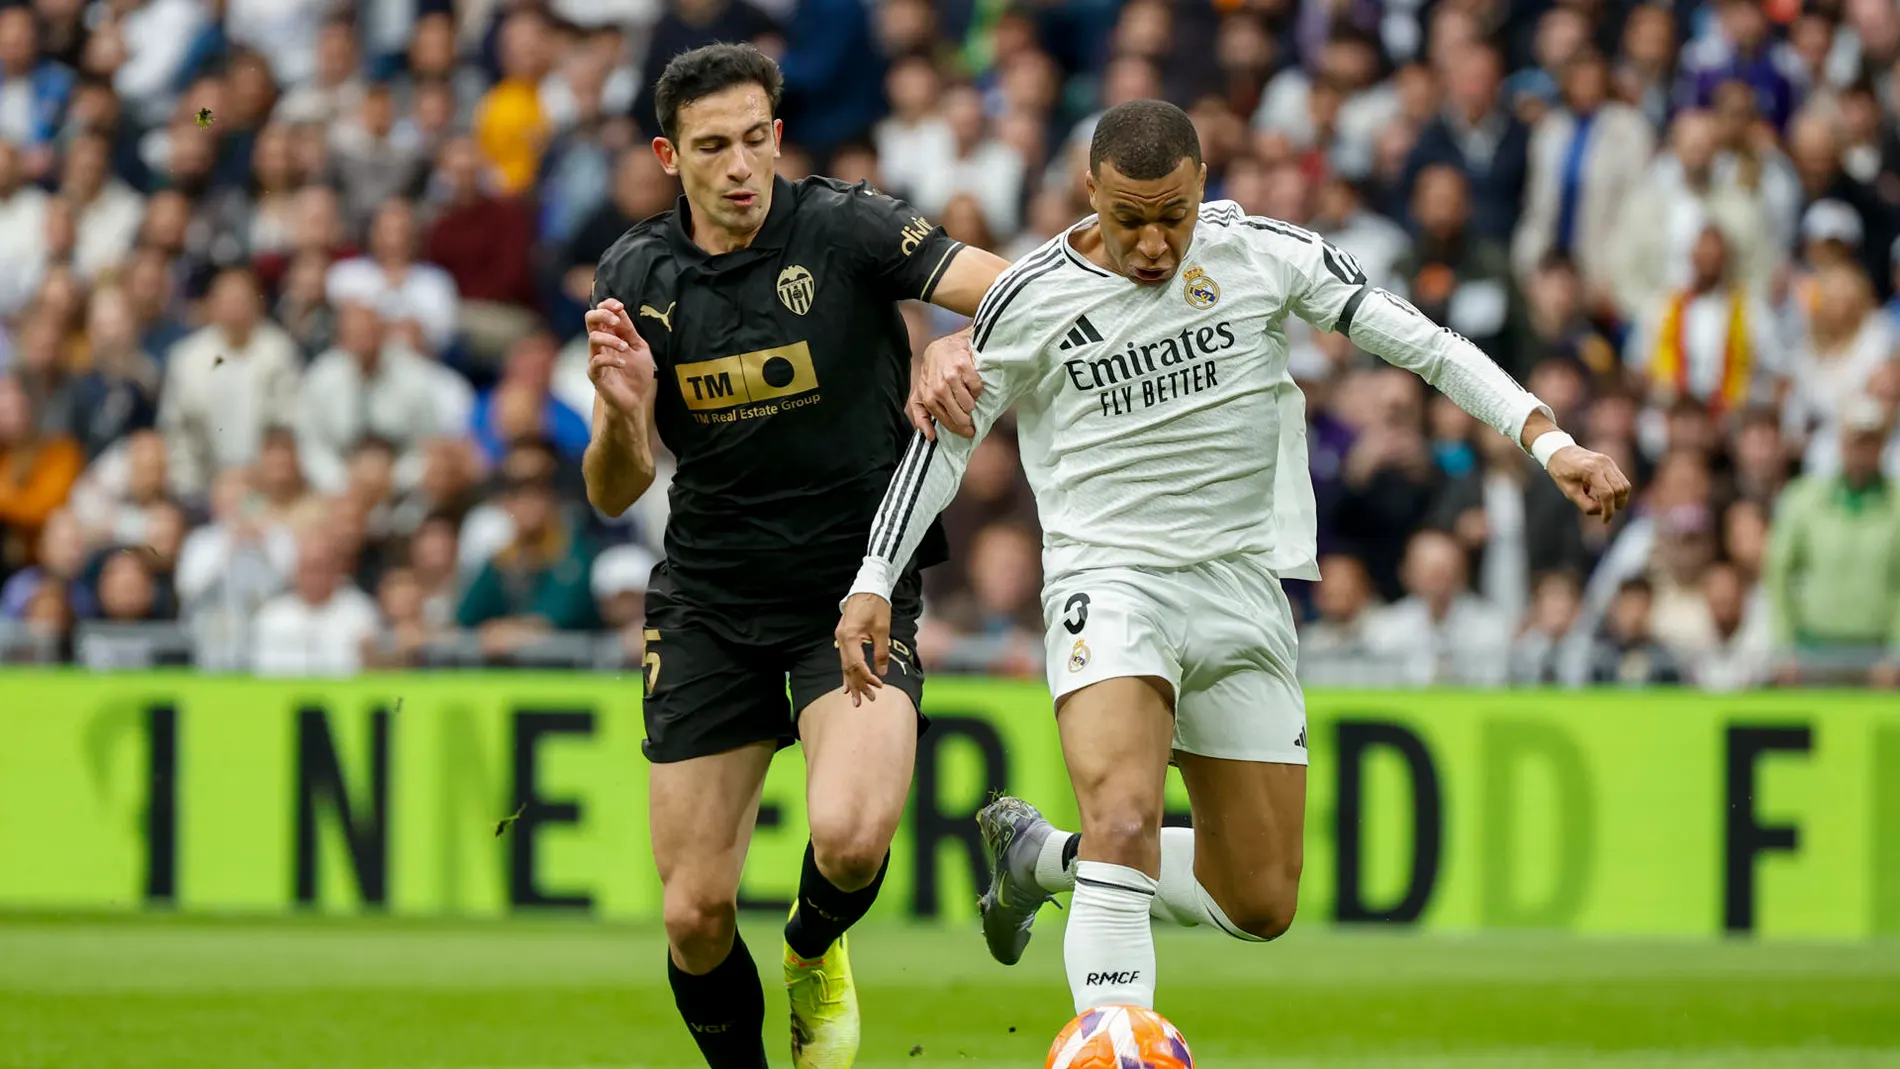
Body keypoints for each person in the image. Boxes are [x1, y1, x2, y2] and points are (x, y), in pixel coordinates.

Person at [835, 100, 1631, 1016]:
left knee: (1258, 899)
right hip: (1111, 581)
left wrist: (1548, 440)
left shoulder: (1260, 252)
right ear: (1089, 192)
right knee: (1123, 817)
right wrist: (873, 578)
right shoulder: (1033, 296)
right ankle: (1115, 1041)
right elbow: (943, 446)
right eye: (1129, 218)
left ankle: (1040, 858)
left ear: (1203, 185)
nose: (1153, 244)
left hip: (1242, 588)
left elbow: (1426, 345)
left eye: (1172, 215)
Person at [578, 43, 1005, 1069]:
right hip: (711, 599)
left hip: (854, 586)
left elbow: (1009, 287)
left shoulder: (846, 226)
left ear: (777, 136)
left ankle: (812, 947)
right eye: (711, 147)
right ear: (668, 156)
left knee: (850, 840)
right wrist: (626, 415)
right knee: (693, 914)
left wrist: (960, 339)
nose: (738, 166)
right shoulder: (636, 274)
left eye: (753, 139)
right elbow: (613, 489)